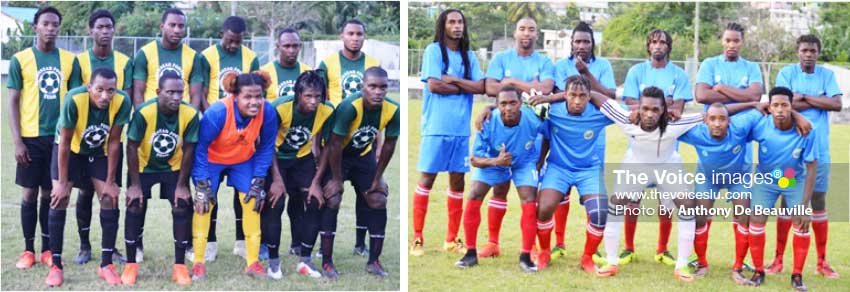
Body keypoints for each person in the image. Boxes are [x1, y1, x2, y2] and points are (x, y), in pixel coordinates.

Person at [590, 86, 704, 282]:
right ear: (638, 108)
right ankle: (611, 261)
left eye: (655, 110)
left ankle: (682, 264)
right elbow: (593, 95)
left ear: (664, 111)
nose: (649, 114)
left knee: (686, 206)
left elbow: (708, 114)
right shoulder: (627, 118)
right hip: (636, 164)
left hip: (668, 165)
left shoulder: (674, 124)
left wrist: (755, 105)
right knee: (617, 203)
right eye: (645, 109)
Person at [530, 21, 616, 259]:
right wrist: (549, 98)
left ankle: (592, 251)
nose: (581, 45)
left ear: (593, 44)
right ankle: (557, 243)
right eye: (577, 41)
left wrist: (586, 75)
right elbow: (562, 96)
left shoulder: (603, 65)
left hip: (592, 140)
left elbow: (610, 96)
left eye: (586, 41)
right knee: (559, 196)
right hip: (563, 134)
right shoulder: (561, 66)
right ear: (571, 43)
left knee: (596, 204)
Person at [8, 5, 80, 271]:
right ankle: (28, 249)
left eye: (55, 24)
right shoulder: (21, 59)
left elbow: (75, 101)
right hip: (30, 138)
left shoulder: (70, 61)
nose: (51, 28)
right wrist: (17, 141)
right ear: (35, 27)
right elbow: (13, 101)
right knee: (29, 194)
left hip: (59, 139)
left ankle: (48, 249)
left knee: (51, 194)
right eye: (46, 24)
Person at [46, 68, 131, 286]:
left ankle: (106, 265)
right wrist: (63, 184)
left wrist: (111, 182)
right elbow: (64, 141)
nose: (105, 96)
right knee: (59, 199)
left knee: (109, 199)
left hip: (99, 151)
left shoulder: (122, 101)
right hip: (71, 150)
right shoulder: (74, 99)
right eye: (99, 90)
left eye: (110, 90)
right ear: (89, 87)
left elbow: (114, 142)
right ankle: (56, 265)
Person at [189, 71, 278, 280]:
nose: (254, 102)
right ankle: (199, 262)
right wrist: (202, 182)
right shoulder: (219, 111)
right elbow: (199, 147)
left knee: (253, 199)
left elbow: (266, 147)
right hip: (211, 159)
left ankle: (253, 262)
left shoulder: (268, 111)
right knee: (204, 202)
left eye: (258, 96)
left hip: (242, 159)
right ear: (235, 96)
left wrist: (259, 178)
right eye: (248, 97)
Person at [691, 22, 764, 274]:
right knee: (701, 214)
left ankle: (738, 264)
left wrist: (720, 90)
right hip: (710, 152)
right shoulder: (710, 64)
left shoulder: (751, 67)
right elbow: (701, 96)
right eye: (728, 40)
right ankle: (701, 262)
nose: (732, 44)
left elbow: (757, 96)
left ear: (742, 42)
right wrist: (742, 98)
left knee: (742, 213)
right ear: (722, 41)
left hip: (739, 159)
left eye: (736, 40)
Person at [411, 8, 485, 256]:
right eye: (452, 22)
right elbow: (434, 85)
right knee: (427, 180)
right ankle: (418, 238)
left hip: (461, 131)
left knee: (457, 182)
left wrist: (452, 80)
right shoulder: (434, 51)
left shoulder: (469, 56)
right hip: (435, 128)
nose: (457, 26)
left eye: (460, 22)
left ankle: (451, 239)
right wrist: (464, 85)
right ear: (443, 25)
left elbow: (480, 86)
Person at [617, 29, 693, 266]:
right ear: (648, 46)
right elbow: (630, 104)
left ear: (669, 47)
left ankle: (662, 249)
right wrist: (660, 104)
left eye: (663, 42)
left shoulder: (678, 74)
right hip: (638, 149)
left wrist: (652, 105)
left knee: (667, 200)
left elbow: (677, 110)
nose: (658, 46)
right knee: (632, 200)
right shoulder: (636, 71)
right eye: (654, 42)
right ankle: (628, 248)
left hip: (667, 150)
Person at [770, 34, 842, 279]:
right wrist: (815, 101)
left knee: (818, 202)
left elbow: (836, 105)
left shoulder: (827, 76)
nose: (808, 54)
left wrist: (803, 98)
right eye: (804, 50)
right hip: (791, 150)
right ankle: (778, 259)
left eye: (812, 50)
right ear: (797, 51)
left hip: (819, 150)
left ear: (818, 52)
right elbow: (783, 104)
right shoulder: (787, 74)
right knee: (786, 201)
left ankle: (822, 261)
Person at [318, 67, 399, 279]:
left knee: (378, 199)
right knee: (332, 198)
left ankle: (374, 261)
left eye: (383, 87)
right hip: (339, 157)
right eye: (372, 86)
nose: (378, 92)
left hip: (363, 156)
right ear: (363, 87)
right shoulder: (349, 107)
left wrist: (378, 176)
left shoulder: (393, 109)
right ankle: (327, 261)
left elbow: (389, 146)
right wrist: (336, 179)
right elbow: (334, 145)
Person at [122, 72, 199, 285]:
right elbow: (131, 146)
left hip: (173, 166)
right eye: (170, 92)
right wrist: (135, 185)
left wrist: (182, 185)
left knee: (182, 204)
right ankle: (131, 264)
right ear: (158, 92)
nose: (176, 97)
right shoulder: (144, 112)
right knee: (135, 204)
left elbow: (189, 149)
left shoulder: (190, 114)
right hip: (144, 166)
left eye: (179, 92)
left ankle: (180, 266)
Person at [195, 15, 260, 262]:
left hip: (241, 133)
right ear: (222, 33)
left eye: (238, 41)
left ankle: (241, 241)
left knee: (241, 193)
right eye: (230, 40)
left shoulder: (249, 57)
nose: (234, 45)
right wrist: (213, 118)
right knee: (210, 191)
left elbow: (253, 91)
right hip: (216, 128)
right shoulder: (207, 56)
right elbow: (200, 91)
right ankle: (209, 242)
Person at [455, 86, 542, 272]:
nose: (508, 108)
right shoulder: (487, 121)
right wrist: (496, 161)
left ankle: (526, 256)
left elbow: (550, 133)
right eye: (503, 104)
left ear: (521, 104)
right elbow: (474, 159)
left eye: (513, 103)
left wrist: (540, 161)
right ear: (497, 105)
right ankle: (470, 254)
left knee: (529, 197)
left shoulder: (533, 118)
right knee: (474, 193)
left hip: (524, 161)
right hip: (494, 159)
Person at [73, 8, 132, 265]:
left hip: (111, 141)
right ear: (91, 30)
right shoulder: (81, 62)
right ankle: (84, 246)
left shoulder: (124, 62)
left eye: (109, 27)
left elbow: (124, 101)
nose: (105, 32)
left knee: (110, 193)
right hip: (84, 140)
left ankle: (111, 248)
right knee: (85, 193)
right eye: (100, 27)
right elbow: (74, 98)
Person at [317, 19, 381, 255]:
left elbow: (379, 110)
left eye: (359, 34)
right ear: (342, 36)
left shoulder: (372, 64)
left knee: (367, 194)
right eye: (351, 33)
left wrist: (377, 142)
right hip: (334, 143)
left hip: (363, 143)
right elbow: (320, 103)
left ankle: (360, 243)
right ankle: (322, 247)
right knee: (330, 194)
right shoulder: (328, 63)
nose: (355, 38)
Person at [745, 87, 818, 292]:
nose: (779, 110)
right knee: (756, 219)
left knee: (801, 222)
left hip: (792, 179)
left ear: (792, 107)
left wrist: (804, 205)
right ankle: (759, 271)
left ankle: (797, 275)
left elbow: (812, 166)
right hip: (766, 179)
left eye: (784, 105)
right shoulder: (761, 125)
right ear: (769, 107)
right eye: (775, 105)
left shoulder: (805, 129)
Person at [264, 70, 334, 279]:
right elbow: (267, 146)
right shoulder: (278, 108)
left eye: (317, 97)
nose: (314, 102)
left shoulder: (327, 111)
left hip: (302, 159)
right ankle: (273, 262)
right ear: (297, 95)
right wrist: (277, 180)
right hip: (276, 159)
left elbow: (327, 147)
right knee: (275, 203)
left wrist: (316, 182)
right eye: (308, 96)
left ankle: (305, 260)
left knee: (315, 201)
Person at [132, 8, 203, 109]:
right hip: (152, 115)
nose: (177, 30)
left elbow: (195, 95)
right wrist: (141, 118)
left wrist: (191, 119)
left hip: (182, 116)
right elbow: (138, 92)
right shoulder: (144, 53)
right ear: (162, 26)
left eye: (181, 26)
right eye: (172, 25)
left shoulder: (194, 57)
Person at [261, 28, 312, 102]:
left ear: (300, 46)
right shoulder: (264, 72)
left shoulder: (308, 72)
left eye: (295, 46)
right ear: (278, 46)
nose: (291, 51)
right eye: (286, 46)